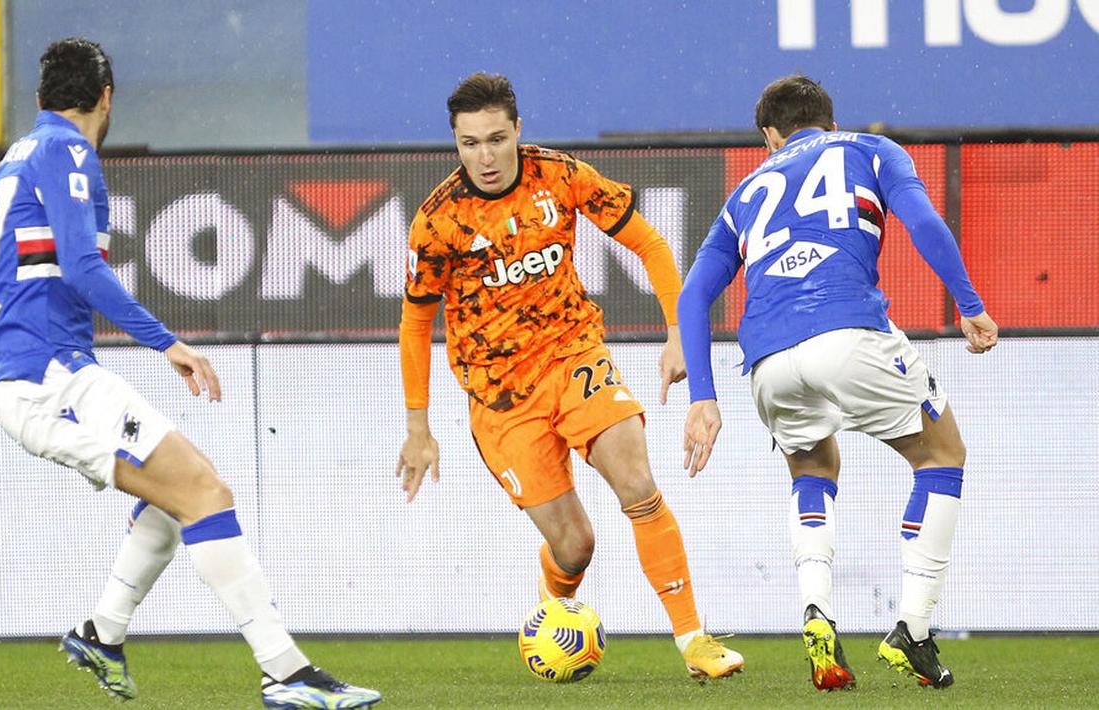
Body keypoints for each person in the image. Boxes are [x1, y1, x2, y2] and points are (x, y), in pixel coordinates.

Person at [0, 38, 380, 709]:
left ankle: (102, 631)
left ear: (38, 101)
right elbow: (85, 271)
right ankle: (285, 674)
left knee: (189, 488)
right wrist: (166, 342)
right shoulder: (68, 152)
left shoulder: (12, 162)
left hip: (41, 379)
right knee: (202, 495)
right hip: (53, 382)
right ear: (108, 99)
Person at [396, 72, 743, 679]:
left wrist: (676, 332)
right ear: (455, 144)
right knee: (575, 546)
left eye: (496, 139)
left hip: (574, 356)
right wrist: (418, 427)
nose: (485, 156)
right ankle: (554, 614)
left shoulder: (560, 175)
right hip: (501, 400)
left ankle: (694, 639)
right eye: (470, 143)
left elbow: (652, 244)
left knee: (636, 479)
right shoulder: (438, 221)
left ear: (518, 131)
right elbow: (415, 324)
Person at [678, 74, 999, 691]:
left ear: (770, 135)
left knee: (813, 469)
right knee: (942, 454)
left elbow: (694, 296)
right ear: (829, 118)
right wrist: (968, 303)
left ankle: (817, 609)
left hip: (768, 362)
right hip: (846, 331)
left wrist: (703, 397)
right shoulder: (871, 150)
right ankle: (914, 629)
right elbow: (925, 221)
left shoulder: (745, 190)